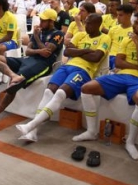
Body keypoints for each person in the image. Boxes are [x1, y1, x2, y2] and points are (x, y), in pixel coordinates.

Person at [74, 11, 138, 161]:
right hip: (120, 76)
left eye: (137, 23)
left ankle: (130, 141)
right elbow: (118, 63)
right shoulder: (126, 41)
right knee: (86, 88)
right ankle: (91, 131)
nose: (133, 25)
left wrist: (137, 44)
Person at [16, 14, 110, 142]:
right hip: (67, 66)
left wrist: (77, 50)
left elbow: (96, 58)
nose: (86, 26)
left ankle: (31, 126)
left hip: (84, 71)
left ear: (98, 24)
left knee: (60, 93)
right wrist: (86, 50)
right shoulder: (80, 35)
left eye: (89, 23)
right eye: (85, 22)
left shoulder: (105, 38)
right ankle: (33, 133)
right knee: (49, 91)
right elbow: (67, 52)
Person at [0, 9, 64, 130]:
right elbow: (28, 51)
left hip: (42, 65)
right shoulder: (38, 32)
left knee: (14, 86)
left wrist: (37, 39)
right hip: (27, 59)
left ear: (51, 21)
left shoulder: (57, 34)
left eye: (43, 20)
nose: (40, 22)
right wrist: (38, 49)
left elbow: (47, 54)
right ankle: (13, 75)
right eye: (40, 19)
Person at [106, 3, 134, 70]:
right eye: (117, 15)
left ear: (129, 15)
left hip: (123, 58)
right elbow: (107, 46)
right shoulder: (113, 29)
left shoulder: (134, 31)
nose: (118, 17)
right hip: (110, 56)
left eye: (121, 15)